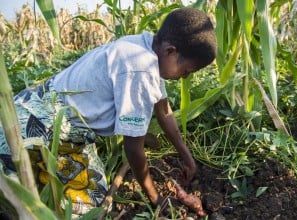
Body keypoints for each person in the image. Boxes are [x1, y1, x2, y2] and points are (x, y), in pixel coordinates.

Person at [0, 7, 217, 215]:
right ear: (170, 51)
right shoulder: (139, 68)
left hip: (68, 131)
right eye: (187, 70)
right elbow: (133, 148)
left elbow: (164, 111)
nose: (186, 77)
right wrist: (156, 199)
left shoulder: (147, 47)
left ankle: (37, 173)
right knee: (61, 205)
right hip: (29, 125)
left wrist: (187, 158)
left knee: (95, 192)